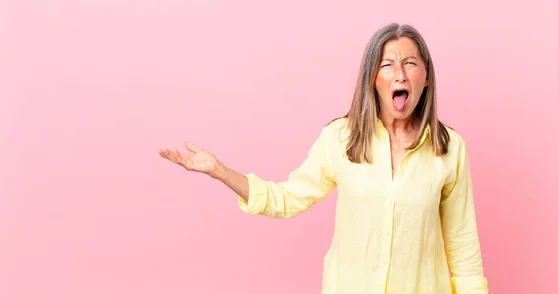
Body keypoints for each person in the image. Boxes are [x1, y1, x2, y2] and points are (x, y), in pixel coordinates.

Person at [158, 23, 488, 294]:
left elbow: (463, 247)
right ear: (372, 79)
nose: (400, 74)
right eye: (387, 65)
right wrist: (219, 171)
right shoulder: (339, 139)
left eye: (410, 63)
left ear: (426, 77)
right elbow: (284, 199)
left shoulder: (450, 148)